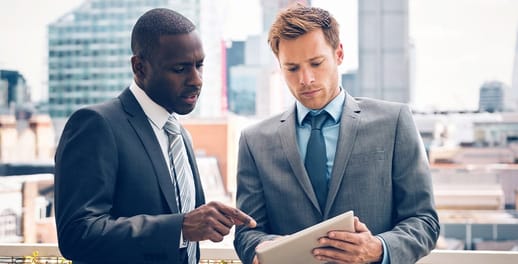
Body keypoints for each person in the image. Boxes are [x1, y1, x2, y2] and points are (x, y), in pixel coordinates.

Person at [234, 4, 439, 264]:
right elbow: (246, 232)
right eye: (292, 68)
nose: (305, 79)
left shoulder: (394, 122)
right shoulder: (254, 141)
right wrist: (262, 248)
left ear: (339, 54)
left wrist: (378, 247)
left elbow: (425, 221)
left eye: (316, 63)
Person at [54, 8, 255, 264]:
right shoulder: (96, 125)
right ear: (139, 67)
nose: (196, 80)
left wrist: (210, 219)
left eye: (199, 65)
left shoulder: (181, 136)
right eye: (180, 69)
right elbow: (77, 234)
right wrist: (179, 227)